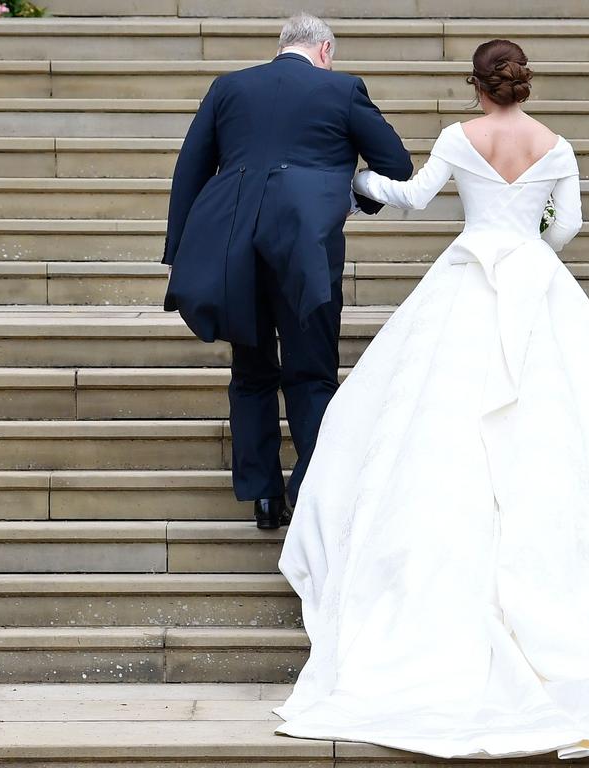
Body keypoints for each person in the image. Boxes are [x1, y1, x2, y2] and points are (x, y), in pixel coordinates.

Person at [273, 38, 589, 759]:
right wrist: (530, 244)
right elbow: (567, 226)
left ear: (476, 86)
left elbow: (413, 197)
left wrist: (361, 185)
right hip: (536, 283)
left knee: (427, 425)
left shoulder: (458, 136)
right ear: (522, 86)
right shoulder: (556, 145)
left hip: (468, 277)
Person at [162, 13, 413, 529]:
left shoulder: (228, 87)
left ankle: (262, 496)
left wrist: (180, 249)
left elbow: (190, 168)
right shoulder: (341, 90)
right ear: (324, 50)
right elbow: (396, 163)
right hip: (305, 249)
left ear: (283, 46)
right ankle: (312, 490)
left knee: (251, 372)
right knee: (311, 372)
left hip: (234, 247)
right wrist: (344, 195)